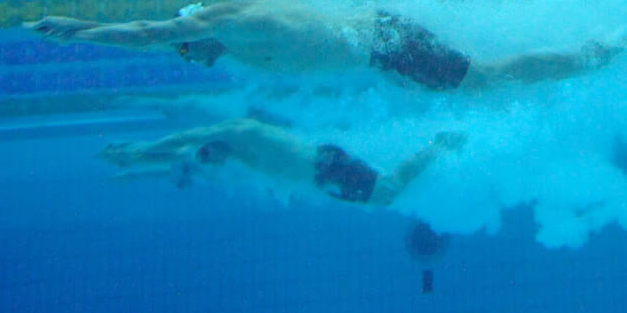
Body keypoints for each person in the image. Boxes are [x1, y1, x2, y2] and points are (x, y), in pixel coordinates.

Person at [25, 0, 618, 89]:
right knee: (485, 78)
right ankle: (590, 53)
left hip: (383, 43)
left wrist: (74, 32)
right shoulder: (227, 38)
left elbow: (149, 33)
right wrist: (75, 29)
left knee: (487, 78)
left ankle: (595, 54)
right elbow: (154, 39)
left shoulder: (224, 20)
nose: (193, 59)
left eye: (185, 50)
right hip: (381, 48)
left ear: (193, 31)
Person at [102, 116, 463, 207]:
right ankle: (436, 146)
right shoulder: (239, 153)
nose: (208, 161)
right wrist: (137, 168)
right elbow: (185, 154)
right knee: (383, 197)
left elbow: (184, 140)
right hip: (321, 176)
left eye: (207, 154)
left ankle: (440, 144)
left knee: (386, 193)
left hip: (324, 167)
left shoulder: (240, 131)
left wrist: (142, 149)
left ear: (214, 143)